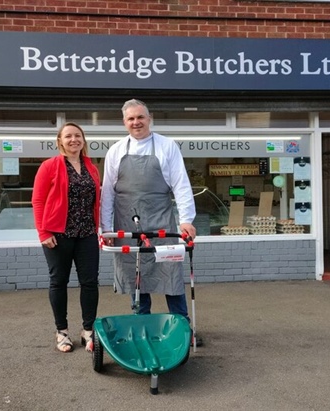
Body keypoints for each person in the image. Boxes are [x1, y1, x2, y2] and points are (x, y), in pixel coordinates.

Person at [101, 99, 203, 346]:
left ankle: (182, 326)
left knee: (171, 273)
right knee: (136, 272)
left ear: (150, 118)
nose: (136, 122)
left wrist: (187, 220)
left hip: (161, 218)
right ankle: (141, 325)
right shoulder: (115, 150)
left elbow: (181, 184)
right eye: (130, 119)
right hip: (126, 220)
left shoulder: (167, 147)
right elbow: (108, 193)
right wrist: (105, 229)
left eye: (140, 117)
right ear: (124, 122)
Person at [32, 122, 101, 353]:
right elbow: (38, 200)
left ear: (83, 139)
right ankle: (62, 332)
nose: (74, 140)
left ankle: (88, 330)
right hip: (58, 235)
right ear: (60, 141)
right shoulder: (49, 166)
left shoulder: (91, 166)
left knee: (90, 282)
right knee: (58, 282)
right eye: (68, 136)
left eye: (78, 135)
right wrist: (44, 232)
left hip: (87, 234)